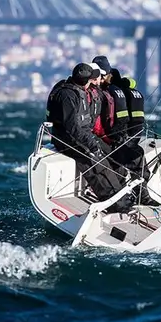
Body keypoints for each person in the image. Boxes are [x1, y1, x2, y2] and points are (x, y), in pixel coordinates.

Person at [46, 63, 133, 212]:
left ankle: (121, 198)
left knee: (107, 157)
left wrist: (93, 141)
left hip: (81, 136)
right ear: (87, 82)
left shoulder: (77, 91)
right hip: (66, 140)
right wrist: (91, 143)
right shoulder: (67, 95)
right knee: (94, 162)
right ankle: (114, 203)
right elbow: (72, 127)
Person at [93, 56, 160, 207]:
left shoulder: (109, 92)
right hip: (133, 135)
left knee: (121, 162)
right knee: (136, 160)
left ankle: (127, 195)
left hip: (117, 137)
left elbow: (111, 119)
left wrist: (115, 137)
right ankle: (141, 195)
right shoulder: (128, 91)